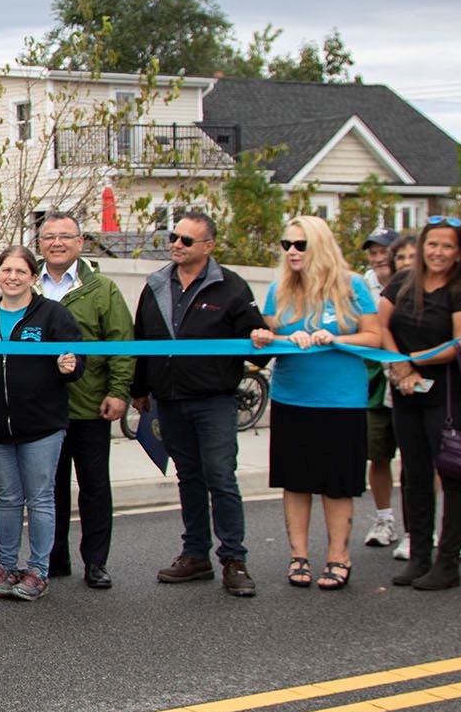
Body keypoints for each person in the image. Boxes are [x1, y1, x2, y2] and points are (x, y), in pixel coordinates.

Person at [131, 211, 266, 597]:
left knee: (221, 477)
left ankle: (234, 559)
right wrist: (139, 391)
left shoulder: (231, 287)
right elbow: (142, 340)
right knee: (188, 477)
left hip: (214, 401)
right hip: (170, 400)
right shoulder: (156, 285)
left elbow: (256, 342)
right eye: (173, 237)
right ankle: (195, 555)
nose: (176, 244)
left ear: (208, 246)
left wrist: (261, 340)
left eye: (186, 240)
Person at [251, 216, 386, 591]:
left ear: (320, 246)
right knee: (295, 481)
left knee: (337, 483)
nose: (292, 252)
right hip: (291, 397)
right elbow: (267, 337)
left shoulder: (352, 285)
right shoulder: (278, 288)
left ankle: (338, 557)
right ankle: (298, 556)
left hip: (341, 400)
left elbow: (374, 337)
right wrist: (264, 337)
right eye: (286, 245)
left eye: (300, 245)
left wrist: (335, 339)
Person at [0, 246, 84, 600]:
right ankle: (6, 568)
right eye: (7, 270)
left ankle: (37, 571)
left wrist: (69, 365)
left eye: (21, 271)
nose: (13, 277)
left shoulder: (52, 314)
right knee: (7, 498)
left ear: (33, 277)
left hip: (42, 427)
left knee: (40, 499)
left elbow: (76, 358)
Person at [375, 217, 461, 589]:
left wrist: (414, 363)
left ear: (459, 253)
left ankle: (447, 563)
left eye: (447, 246)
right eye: (432, 244)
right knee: (414, 475)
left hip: (448, 395)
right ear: (422, 247)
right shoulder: (403, 281)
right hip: (407, 391)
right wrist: (401, 367)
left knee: (452, 474)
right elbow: (381, 326)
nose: (438, 252)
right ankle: (419, 557)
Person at [36, 212, 133, 588]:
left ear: (80, 242)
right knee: (50, 489)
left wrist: (118, 391)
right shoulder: (29, 285)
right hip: (43, 408)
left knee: (94, 487)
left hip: (91, 406)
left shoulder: (103, 289)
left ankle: (96, 562)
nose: (56, 243)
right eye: (49, 237)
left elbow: (121, 343)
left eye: (65, 236)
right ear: (40, 244)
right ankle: (54, 558)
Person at [357, 227, 401, 551]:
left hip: (411, 378)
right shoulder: (361, 285)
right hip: (375, 382)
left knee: (420, 458)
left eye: (384, 251)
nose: (378, 258)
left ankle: (424, 524)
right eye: (373, 253)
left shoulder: (415, 282)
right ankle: (384, 519)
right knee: (378, 454)